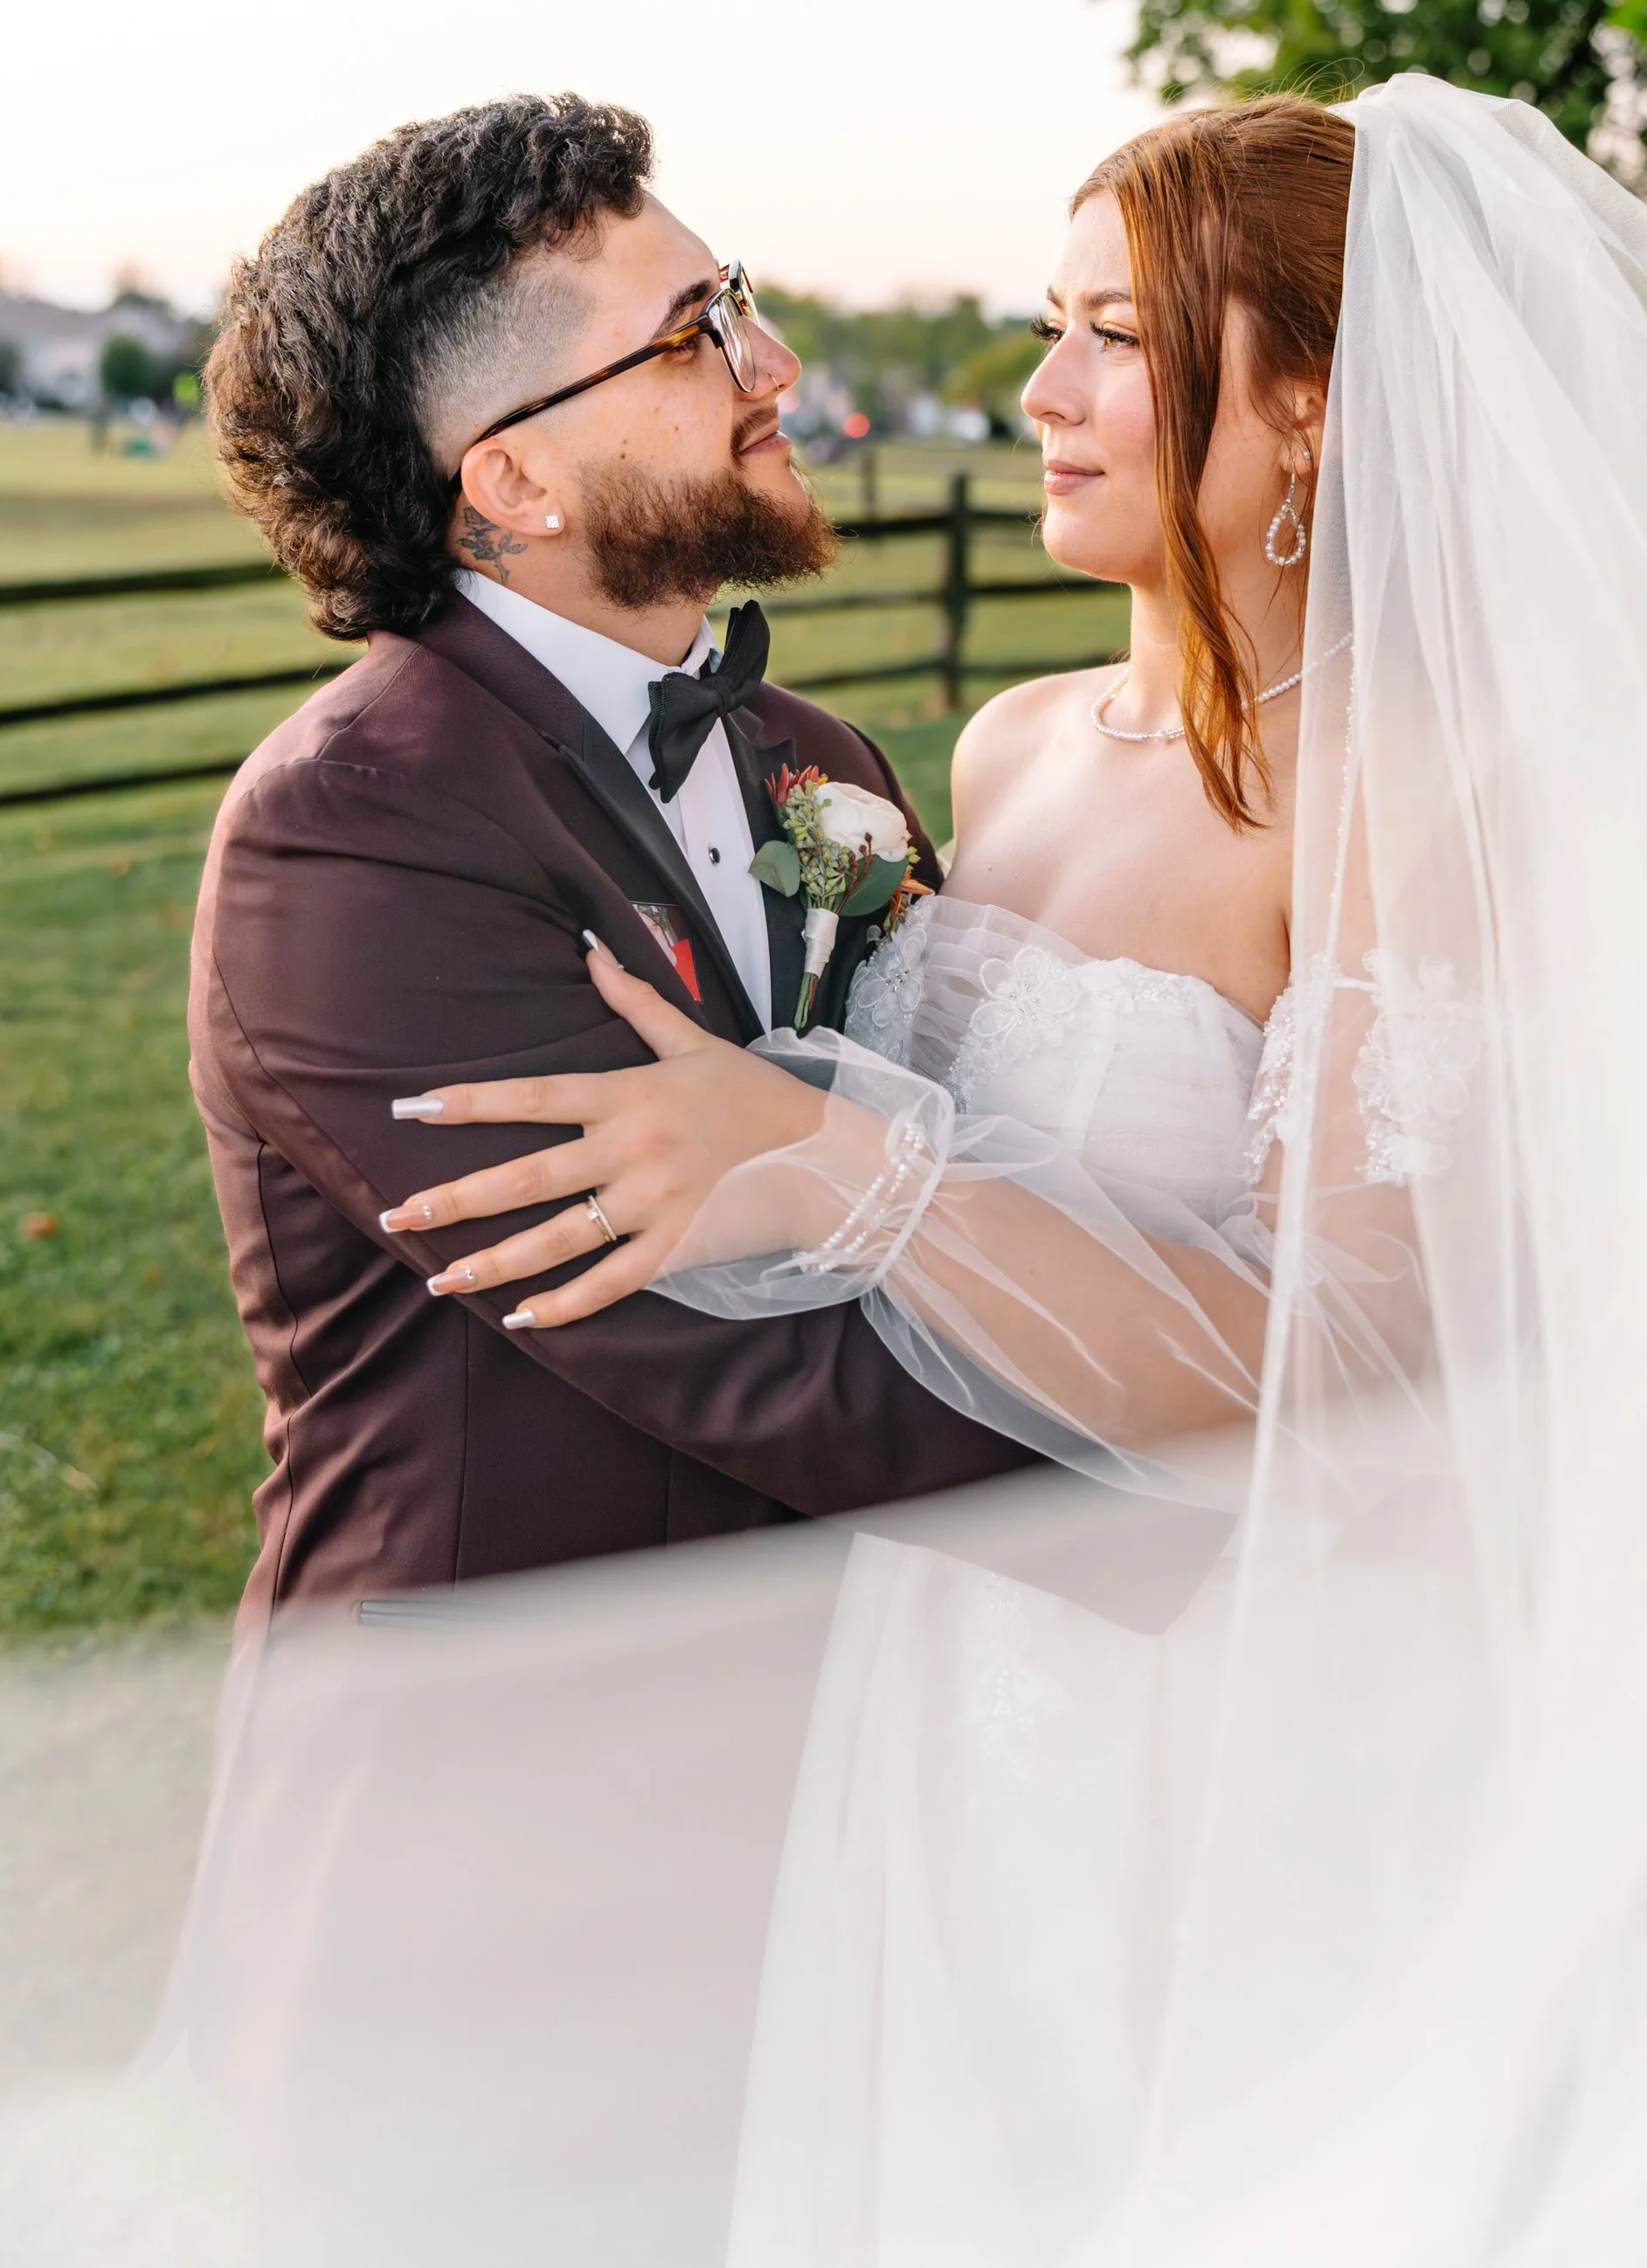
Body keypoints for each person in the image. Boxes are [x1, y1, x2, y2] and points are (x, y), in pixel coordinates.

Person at [360, 73, 1647, 2264]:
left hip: (1234, 1726)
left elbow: (1354, 1373)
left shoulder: (1415, 792)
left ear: (1316, 410)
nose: (1040, 393)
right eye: (1048, 326)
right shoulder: (1000, 750)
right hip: (943, 1662)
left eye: (1116, 339)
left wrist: (841, 1166)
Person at [188, 92, 1031, 1631]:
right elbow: (740, 1355)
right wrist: (1225, 1471)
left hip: (839, 1713)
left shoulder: (825, 763)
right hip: (501, 1732)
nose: (773, 364)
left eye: (739, 302)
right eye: (697, 332)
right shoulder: (351, 831)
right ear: (515, 484)